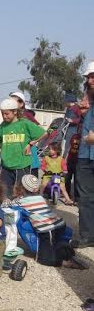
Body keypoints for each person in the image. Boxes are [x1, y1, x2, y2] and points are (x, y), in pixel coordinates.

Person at [9, 175, 85, 268]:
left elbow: (9, 205)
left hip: (48, 229)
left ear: (20, 188)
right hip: (59, 224)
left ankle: (66, 262)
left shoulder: (21, 201)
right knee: (55, 242)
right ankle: (66, 251)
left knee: (44, 258)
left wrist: (5, 202)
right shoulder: (41, 198)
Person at [0, 98, 46, 197]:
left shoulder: (24, 123)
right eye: (2, 114)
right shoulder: (2, 126)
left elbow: (43, 133)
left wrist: (31, 144)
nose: (4, 116)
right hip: (6, 165)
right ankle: (8, 211)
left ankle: (24, 210)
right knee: (5, 192)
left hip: (22, 164)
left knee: (22, 193)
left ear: (15, 111)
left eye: (7, 114)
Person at [71, 61, 94, 249]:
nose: (90, 80)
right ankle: (87, 235)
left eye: (93, 76)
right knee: (85, 196)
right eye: (88, 77)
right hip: (85, 155)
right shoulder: (88, 96)